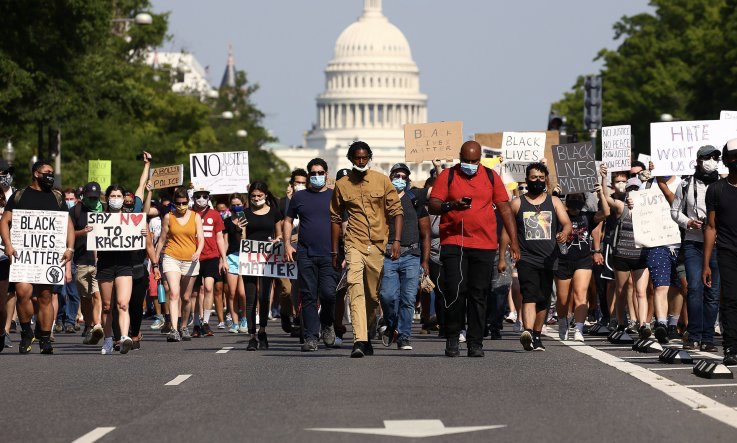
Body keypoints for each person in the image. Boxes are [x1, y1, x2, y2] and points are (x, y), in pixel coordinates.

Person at [428, 141, 519, 357]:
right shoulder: (448, 175)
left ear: (480, 159)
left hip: (484, 244)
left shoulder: (490, 176)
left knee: (479, 294)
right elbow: (433, 204)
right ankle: (452, 337)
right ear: (459, 157)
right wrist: (451, 205)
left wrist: (514, 241)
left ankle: (475, 342)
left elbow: (505, 209)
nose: (470, 165)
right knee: (455, 292)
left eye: (474, 161)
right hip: (454, 242)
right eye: (466, 161)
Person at [330, 141, 403, 358]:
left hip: (378, 245)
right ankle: (359, 340)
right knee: (354, 287)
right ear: (350, 159)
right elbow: (335, 217)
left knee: (372, 295)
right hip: (354, 242)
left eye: (364, 158)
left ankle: (368, 329)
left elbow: (396, 211)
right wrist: (335, 250)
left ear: (369, 157)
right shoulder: (342, 184)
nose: (360, 162)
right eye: (356, 158)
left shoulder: (382, 180)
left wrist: (396, 241)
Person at [0, 160, 75, 354]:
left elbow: (68, 226)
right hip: (23, 255)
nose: (50, 175)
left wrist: (70, 248)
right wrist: (8, 245)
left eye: (52, 172)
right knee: (23, 293)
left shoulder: (57, 198)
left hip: (48, 257)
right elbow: (5, 221)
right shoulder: (19, 196)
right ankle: (26, 332)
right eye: (47, 172)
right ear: (35, 174)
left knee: (45, 296)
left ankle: (44, 338)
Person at [510, 162, 571, 351]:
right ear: (527, 179)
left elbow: (567, 223)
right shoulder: (517, 203)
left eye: (541, 178)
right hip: (526, 257)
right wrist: (510, 248)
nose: (537, 181)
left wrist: (564, 233)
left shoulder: (553, 201)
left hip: (549, 258)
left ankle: (537, 334)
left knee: (543, 299)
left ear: (546, 180)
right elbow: (508, 230)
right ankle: (527, 332)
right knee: (529, 295)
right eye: (534, 177)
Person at [284, 158, 339, 352]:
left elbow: (345, 224)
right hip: (306, 253)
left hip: (330, 254)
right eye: (313, 173)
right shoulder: (300, 198)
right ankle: (311, 337)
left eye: (320, 173)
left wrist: (345, 248)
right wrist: (287, 244)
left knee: (328, 294)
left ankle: (327, 324)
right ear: (308, 176)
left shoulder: (335, 196)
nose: (316, 176)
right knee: (308, 296)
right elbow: (288, 220)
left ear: (326, 174)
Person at [377, 163, 431, 351]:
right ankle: (390, 323)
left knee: (408, 299)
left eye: (403, 176)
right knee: (387, 295)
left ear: (408, 180)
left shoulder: (414, 200)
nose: (399, 179)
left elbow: (425, 234)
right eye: (396, 175)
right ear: (390, 176)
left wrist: (425, 261)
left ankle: (404, 336)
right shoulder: (382, 200)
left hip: (412, 256)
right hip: (388, 255)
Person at [672, 145, 721, 351]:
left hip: (719, 245)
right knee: (694, 289)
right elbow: (674, 211)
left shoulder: (723, 185)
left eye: (715, 157)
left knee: (713, 292)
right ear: (699, 160)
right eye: (708, 157)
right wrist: (688, 222)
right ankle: (694, 335)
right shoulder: (685, 184)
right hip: (693, 243)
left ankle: (708, 339)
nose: (712, 161)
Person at [554, 165, 610, 342]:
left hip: (583, 260)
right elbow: (545, 213)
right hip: (562, 261)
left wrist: (601, 193)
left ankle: (579, 328)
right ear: (567, 200)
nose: (576, 202)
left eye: (580, 198)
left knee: (581, 294)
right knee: (563, 301)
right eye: (573, 199)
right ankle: (563, 321)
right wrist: (554, 195)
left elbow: (606, 212)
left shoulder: (588, 216)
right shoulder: (559, 215)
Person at [703, 138, 737, 366]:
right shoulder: (715, 190)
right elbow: (711, 227)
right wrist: (706, 263)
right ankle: (732, 347)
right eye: (733, 156)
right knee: (732, 300)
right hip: (727, 252)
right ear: (725, 160)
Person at [155, 187, 205, 342]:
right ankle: (174, 329)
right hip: (171, 257)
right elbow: (162, 239)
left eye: (184, 202)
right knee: (174, 293)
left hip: (191, 259)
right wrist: (155, 261)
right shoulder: (168, 217)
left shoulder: (195, 216)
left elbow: (201, 238)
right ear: (174, 202)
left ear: (188, 202)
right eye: (178, 203)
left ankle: (184, 326)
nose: (181, 205)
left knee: (186, 297)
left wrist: (198, 251)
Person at [605, 174, 650, 338]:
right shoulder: (621, 207)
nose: (633, 192)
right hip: (622, 255)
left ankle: (643, 324)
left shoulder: (648, 210)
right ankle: (621, 323)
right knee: (621, 291)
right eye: (630, 189)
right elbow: (606, 197)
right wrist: (603, 178)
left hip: (641, 255)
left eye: (636, 189)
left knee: (641, 292)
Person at [242, 181, 283, 351]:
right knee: (250, 298)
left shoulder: (274, 212)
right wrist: (239, 230)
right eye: (253, 196)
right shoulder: (244, 213)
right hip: (249, 259)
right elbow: (243, 239)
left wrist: (278, 240)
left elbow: (279, 233)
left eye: (259, 195)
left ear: (265, 195)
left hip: (268, 258)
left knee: (264, 296)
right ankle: (251, 337)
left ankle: (263, 331)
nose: (256, 198)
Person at [190, 186, 227, 338]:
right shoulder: (189, 213)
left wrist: (223, 259)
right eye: (198, 196)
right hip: (194, 256)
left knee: (209, 288)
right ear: (193, 197)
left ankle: (205, 322)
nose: (201, 199)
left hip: (212, 256)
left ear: (209, 198)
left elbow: (220, 238)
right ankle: (196, 323)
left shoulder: (215, 214)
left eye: (204, 196)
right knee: (196, 292)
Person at [223, 193, 248, 334]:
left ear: (243, 204)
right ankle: (235, 322)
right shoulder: (226, 221)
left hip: (245, 258)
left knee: (243, 293)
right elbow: (225, 242)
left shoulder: (246, 219)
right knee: (232, 293)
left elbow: (244, 241)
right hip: (231, 257)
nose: (236, 207)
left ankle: (244, 318)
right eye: (233, 205)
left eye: (238, 204)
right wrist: (223, 259)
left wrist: (240, 229)